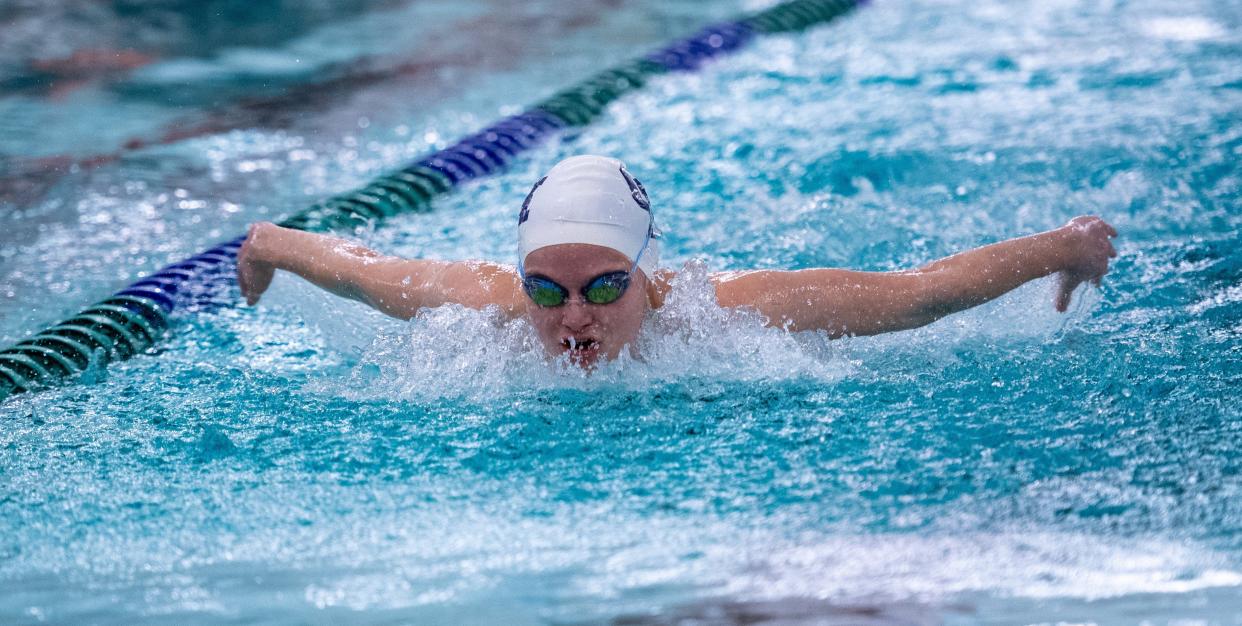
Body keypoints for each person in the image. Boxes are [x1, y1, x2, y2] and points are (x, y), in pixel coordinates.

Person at [237, 155, 1118, 367]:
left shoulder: (732, 313)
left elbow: (919, 295)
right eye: (547, 286)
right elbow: (360, 264)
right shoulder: (490, 308)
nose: (572, 316)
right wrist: (271, 245)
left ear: (650, 275)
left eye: (604, 285)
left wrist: (1065, 247)